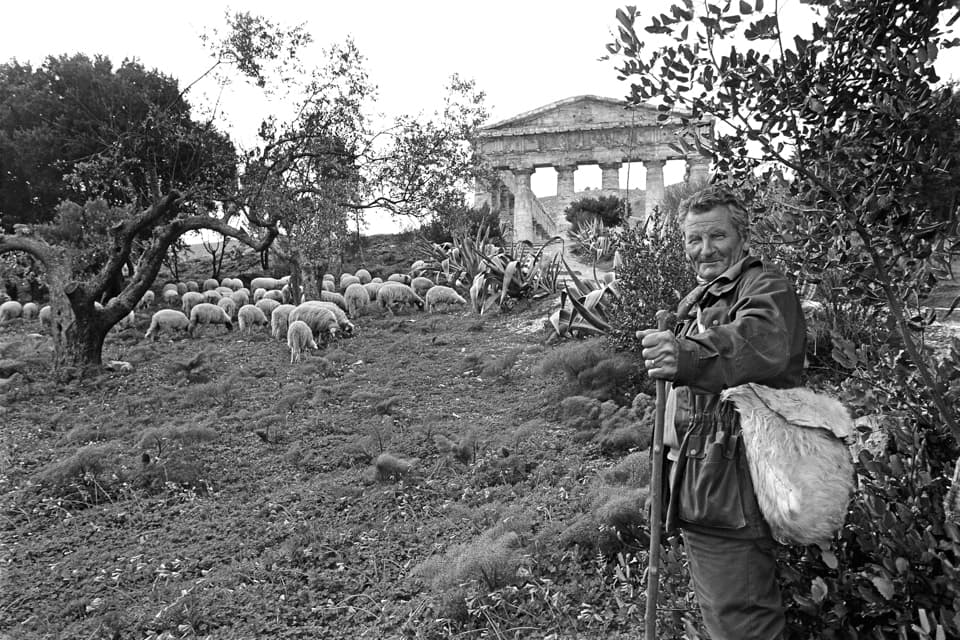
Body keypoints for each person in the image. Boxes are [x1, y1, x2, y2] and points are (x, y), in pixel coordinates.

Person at [637, 186, 806, 640]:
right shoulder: (701, 300)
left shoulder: (765, 287)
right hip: (704, 485)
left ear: (742, 236)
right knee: (727, 618)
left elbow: (760, 343)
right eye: (694, 239)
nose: (705, 250)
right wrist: (667, 486)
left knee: (742, 624)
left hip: (732, 485)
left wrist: (687, 357)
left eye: (717, 236)